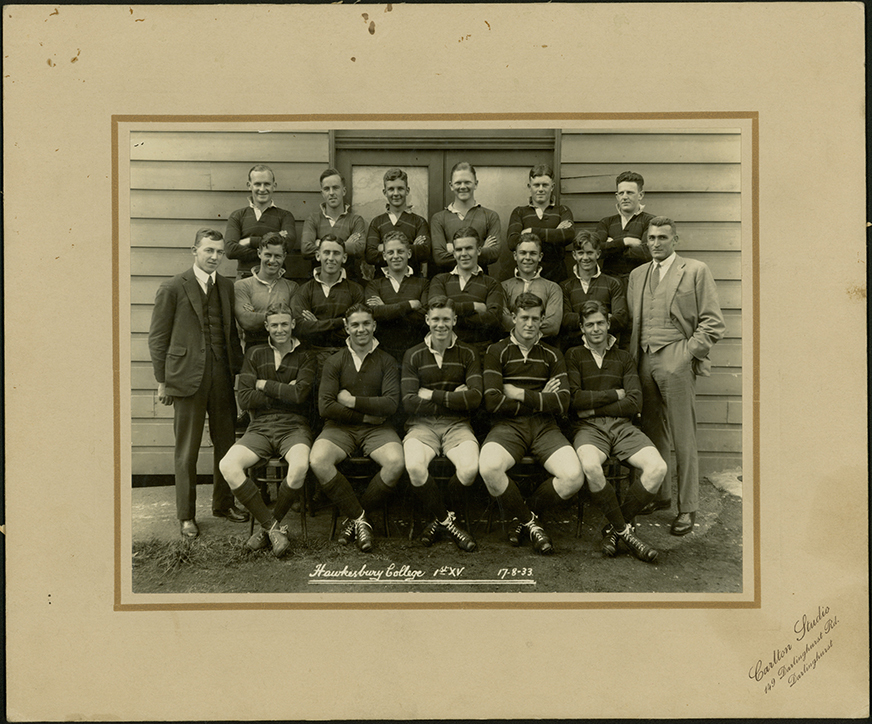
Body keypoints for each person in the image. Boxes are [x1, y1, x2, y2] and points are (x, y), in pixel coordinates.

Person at [627, 217, 725, 536]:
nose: (656, 243)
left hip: (677, 356)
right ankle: (660, 495)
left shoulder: (695, 270)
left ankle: (688, 508)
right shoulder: (637, 274)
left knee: (683, 436)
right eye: (651, 238)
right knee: (653, 432)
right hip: (644, 358)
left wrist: (687, 354)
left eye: (662, 237)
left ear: (675, 239)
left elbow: (712, 322)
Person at [148, 228, 248, 539]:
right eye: (209, 251)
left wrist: (236, 373)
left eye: (219, 252)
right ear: (195, 251)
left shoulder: (227, 287)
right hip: (186, 378)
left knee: (226, 443)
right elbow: (158, 338)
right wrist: (162, 381)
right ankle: (186, 516)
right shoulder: (173, 287)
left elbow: (230, 335)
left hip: (220, 376)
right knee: (187, 450)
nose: (215, 257)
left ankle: (223, 504)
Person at [480, 292, 584, 554]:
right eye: (523, 318)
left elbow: (562, 403)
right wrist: (542, 396)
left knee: (573, 477)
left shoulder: (552, 354)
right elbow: (492, 401)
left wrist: (519, 393)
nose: (529, 324)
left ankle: (523, 515)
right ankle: (531, 523)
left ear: (542, 320)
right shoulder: (496, 351)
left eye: (535, 318)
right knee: (489, 467)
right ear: (513, 318)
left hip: (545, 428)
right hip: (508, 426)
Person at [565, 300, 666, 562]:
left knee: (658, 468)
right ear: (581, 328)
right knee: (590, 467)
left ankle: (612, 529)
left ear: (609, 324)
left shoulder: (623, 357)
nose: (596, 329)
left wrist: (593, 407)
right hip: (588, 429)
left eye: (600, 323)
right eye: (590, 325)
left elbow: (634, 401)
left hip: (623, 427)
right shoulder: (574, 355)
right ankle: (624, 530)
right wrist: (611, 396)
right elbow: (574, 400)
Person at [218, 303, 317, 556]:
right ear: (266, 327)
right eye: (274, 325)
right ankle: (274, 528)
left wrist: (264, 384)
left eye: (285, 324)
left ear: (293, 324)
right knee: (228, 465)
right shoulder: (255, 353)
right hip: (260, 426)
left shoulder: (306, 355)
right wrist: (284, 391)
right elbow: (246, 399)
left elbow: (301, 396)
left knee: (300, 467)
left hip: (294, 426)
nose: (280, 329)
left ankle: (265, 530)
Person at [309, 303, 404, 552]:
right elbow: (326, 407)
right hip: (340, 427)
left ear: (374, 325)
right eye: (355, 325)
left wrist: (353, 401)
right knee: (318, 460)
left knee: (395, 462)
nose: (361, 329)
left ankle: (355, 517)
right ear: (346, 327)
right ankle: (361, 519)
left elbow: (391, 404)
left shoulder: (387, 360)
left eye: (366, 324)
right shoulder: (334, 361)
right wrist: (365, 417)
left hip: (378, 429)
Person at [401, 296, 481, 551]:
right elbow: (409, 403)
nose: (441, 324)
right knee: (414, 466)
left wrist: (432, 394)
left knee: (469, 469)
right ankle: (448, 521)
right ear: (427, 320)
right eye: (435, 319)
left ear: (454, 320)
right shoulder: (413, 354)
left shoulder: (468, 352)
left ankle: (438, 520)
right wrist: (455, 397)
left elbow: (476, 398)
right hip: (421, 425)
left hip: (457, 425)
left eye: (446, 319)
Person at [428, 226, 505, 359]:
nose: (463, 254)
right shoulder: (440, 280)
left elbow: (493, 319)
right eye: (458, 249)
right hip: (445, 351)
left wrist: (451, 316)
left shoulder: (491, 283)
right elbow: (435, 309)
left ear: (479, 250)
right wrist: (473, 307)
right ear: (454, 253)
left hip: (481, 352)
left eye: (469, 248)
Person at [290, 234, 365, 366]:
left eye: (336, 253)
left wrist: (317, 324)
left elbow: (356, 330)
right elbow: (300, 328)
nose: (331, 258)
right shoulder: (304, 290)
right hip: (311, 358)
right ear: (318, 256)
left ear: (344, 258)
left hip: (347, 357)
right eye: (326, 253)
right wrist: (341, 322)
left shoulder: (356, 290)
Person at [224, 164, 299, 282]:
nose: (262, 189)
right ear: (249, 186)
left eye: (267, 184)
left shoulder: (285, 216)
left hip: (276, 278)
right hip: (245, 277)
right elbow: (230, 250)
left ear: (274, 186)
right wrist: (273, 245)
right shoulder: (237, 216)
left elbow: (288, 243)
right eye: (257, 184)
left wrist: (250, 241)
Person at [364, 230, 429, 364]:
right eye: (390, 252)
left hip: (416, 354)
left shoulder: (423, 284)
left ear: (409, 253)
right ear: (384, 256)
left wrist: (386, 309)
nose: (395, 256)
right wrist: (409, 306)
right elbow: (373, 314)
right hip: (382, 354)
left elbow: (424, 317)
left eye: (400, 251)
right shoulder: (374, 285)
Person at [430, 162, 502, 277]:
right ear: (451, 185)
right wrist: (481, 249)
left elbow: (494, 254)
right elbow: (439, 258)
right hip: (448, 282)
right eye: (458, 183)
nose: (463, 186)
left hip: (480, 281)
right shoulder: (439, 218)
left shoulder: (490, 216)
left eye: (467, 182)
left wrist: (452, 249)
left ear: (476, 184)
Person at [560, 229, 628, 350]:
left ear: (598, 254)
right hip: (575, 350)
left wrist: (580, 321)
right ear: (574, 255)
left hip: (607, 349)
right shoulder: (565, 286)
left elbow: (620, 319)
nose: (585, 258)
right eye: (581, 253)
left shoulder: (613, 283)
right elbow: (565, 320)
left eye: (590, 253)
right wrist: (603, 319)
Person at [507, 164, 575, 282]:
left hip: (557, 276)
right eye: (536, 185)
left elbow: (568, 235)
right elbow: (513, 242)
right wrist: (555, 234)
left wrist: (531, 231)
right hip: (527, 275)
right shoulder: (519, 212)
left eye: (545, 185)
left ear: (552, 186)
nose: (540, 189)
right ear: (529, 186)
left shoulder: (562, 210)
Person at [234, 232, 299, 350]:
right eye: (268, 255)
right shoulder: (242, 286)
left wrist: (256, 313)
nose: (272, 260)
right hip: (253, 348)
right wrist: (281, 316)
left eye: (277, 256)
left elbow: (294, 320)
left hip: (284, 350)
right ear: (259, 253)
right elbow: (246, 321)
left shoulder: (292, 287)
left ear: (284, 256)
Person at [300, 168, 368, 282]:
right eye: (327, 189)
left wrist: (319, 243)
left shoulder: (355, 220)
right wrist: (346, 245)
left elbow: (359, 248)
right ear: (322, 193)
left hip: (350, 281)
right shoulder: (313, 219)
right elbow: (306, 249)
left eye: (335, 188)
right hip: (319, 281)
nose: (331, 193)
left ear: (344, 191)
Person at [364, 168, 430, 277]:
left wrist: (382, 248)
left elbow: (424, 252)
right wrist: (411, 246)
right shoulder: (377, 222)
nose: (396, 193)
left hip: (413, 281)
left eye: (400, 188)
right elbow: (370, 255)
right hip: (382, 283)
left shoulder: (419, 222)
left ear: (407, 190)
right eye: (391, 189)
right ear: (385, 192)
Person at [594, 171, 655, 288]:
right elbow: (597, 250)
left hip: (640, 283)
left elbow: (647, 252)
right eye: (621, 193)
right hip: (609, 284)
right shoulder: (606, 222)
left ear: (640, 195)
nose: (625, 197)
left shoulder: (650, 221)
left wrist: (612, 245)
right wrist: (625, 242)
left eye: (630, 193)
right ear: (617, 196)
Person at [500, 232, 563, 342]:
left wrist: (516, 322)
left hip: (542, 346)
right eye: (523, 253)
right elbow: (502, 322)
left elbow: (553, 326)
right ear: (515, 256)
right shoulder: (503, 287)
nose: (527, 258)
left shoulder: (553, 288)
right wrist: (535, 324)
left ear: (540, 257)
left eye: (533, 253)